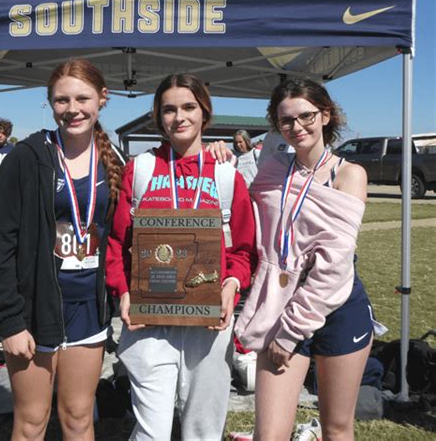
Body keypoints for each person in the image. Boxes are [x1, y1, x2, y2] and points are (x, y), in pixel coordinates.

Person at [0, 59, 124, 441]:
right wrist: (9, 320)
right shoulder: (28, 156)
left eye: (82, 98)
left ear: (102, 99)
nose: (72, 109)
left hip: (87, 311)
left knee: (78, 417)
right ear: (50, 104)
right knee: (31, 422)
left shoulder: (115, 161)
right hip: (34, 310)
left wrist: (219, 150)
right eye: (61, 100)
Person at [106, 73, 256, 440]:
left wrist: (232, 285)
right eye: (169, 109)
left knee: (202, 430)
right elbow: (116, 242)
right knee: (151, 432)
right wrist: (123, 292)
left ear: (204, 112)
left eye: (189, 107)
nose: (179, 117)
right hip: (149, 321)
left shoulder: (225, 175)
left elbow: (243, 249)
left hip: (207, 324)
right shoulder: (139, 169)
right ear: (158, 117)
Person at [235, 78, 381, 441]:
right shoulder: (270, 170)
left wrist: (290, 332)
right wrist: (220, 159)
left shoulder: (350, 174)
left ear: (326, 115)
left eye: (306, 116)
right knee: (269, 434)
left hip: (336, 306)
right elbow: (238, 207)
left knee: (336, 427)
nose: (296, 127)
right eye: (286, 120)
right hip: (280, 304)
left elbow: (333, 267)